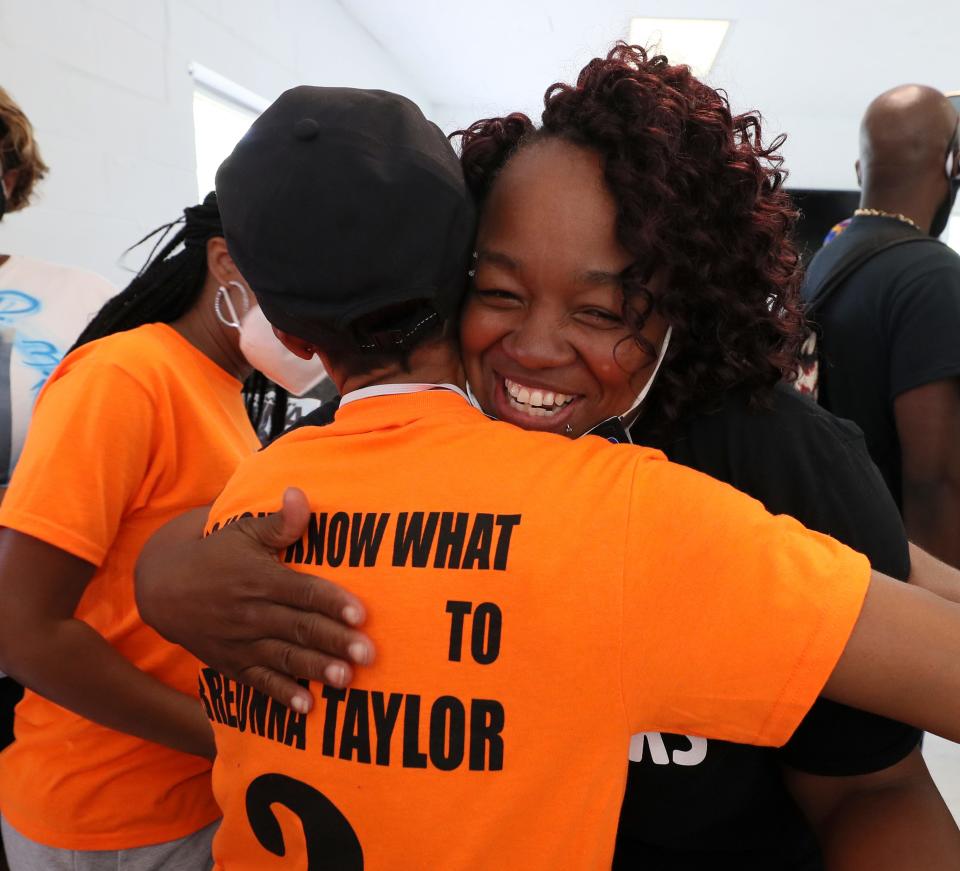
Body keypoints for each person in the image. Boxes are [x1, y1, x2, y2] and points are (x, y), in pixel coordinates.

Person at [138, 50, 960, 869]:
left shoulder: (769, 461)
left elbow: (875, 788)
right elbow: (275, 495)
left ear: (684, 308)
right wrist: (169, 577)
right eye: (499, 293)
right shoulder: (424, 419)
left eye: (603, 311)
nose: (532, 350)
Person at [0, 193, 320, 870]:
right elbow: (21, 629)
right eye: (305, 291)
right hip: (105, 814)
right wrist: (230, 736)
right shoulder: (125, 376)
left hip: (185, 802)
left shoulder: (222, 394)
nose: (319, 321)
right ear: (226, 264)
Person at [801, 85, 960, 568]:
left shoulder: (824, 260)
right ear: (953, 164)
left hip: (838, 563)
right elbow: (934, 480)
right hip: (905, 580)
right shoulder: (932, 277)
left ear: (859, 169)